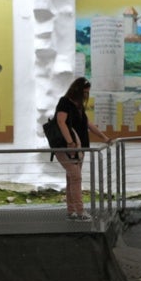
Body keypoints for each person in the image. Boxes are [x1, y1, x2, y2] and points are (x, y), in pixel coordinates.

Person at [54, 77, 112, 219]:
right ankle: (80, 211)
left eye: (87, 93)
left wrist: (104, 137)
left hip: (79, 148)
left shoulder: (78, 106)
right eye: (84, 92)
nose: (86, 95)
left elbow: (88, 124)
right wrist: (69, 142)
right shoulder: (65, 102)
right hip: (67, 147)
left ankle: (71, 210)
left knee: (72, 178)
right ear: (77, 90)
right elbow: (60, 121)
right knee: (76, 177)